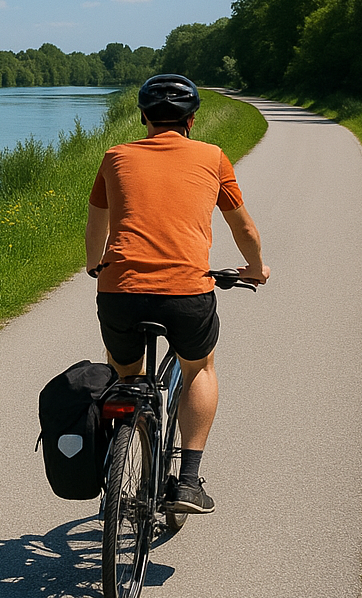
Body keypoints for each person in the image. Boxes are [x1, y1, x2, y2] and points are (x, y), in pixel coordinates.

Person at [84, 74, 269, 514]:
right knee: (198, 368)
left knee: (125, 378)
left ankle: (122, 453)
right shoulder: (212, 157)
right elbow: (242, 227)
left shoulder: (116, 157)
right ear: (192, 119)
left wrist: (96, 265)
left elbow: (98, 224)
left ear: (144, 116)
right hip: (187, 291)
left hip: (121, 291)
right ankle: (187, 481)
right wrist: (257, 269)